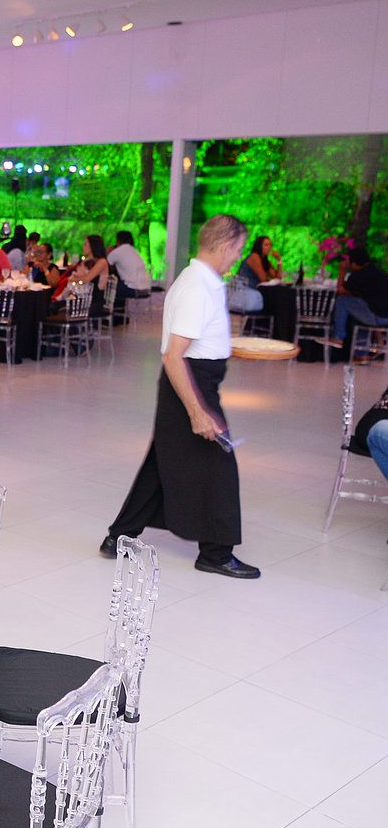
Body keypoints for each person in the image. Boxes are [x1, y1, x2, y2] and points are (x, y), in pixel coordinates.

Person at [100, 214, 259, 579]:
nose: (238, 256)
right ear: (224, 245)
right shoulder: (196, 287)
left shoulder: (203, 281)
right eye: (237, 248)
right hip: (190, 383)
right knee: (220, 468)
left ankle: (118, 537)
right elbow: (174, 355)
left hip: (195, 380)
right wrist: (197, 412)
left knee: (161, 464)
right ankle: (216, 553)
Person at [325, 247, 388, 353]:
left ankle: (338, 337)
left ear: (353, 263)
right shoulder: (379, 272)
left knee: (342, 300)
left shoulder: (359, 275)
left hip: (376, 316)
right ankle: (361, 355)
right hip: (385, 317)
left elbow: (340, 290)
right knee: (357, 312)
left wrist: (342, 270)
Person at [72, 235, 111, 315]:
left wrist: (73, 280)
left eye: (85, 244)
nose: (83, 247)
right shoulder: (87, 261)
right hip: (85, 297)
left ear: (92, 246)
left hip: (95, 301)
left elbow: (86, 279)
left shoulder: (102, 262)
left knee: (63, 308)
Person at [108, 230, 152, 296]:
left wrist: (108, 251)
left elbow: (105, 266)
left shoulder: (117, 251)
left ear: (117, 240)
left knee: (107, 285)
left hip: (132, 288)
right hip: (145, 289)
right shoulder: (134, 251)